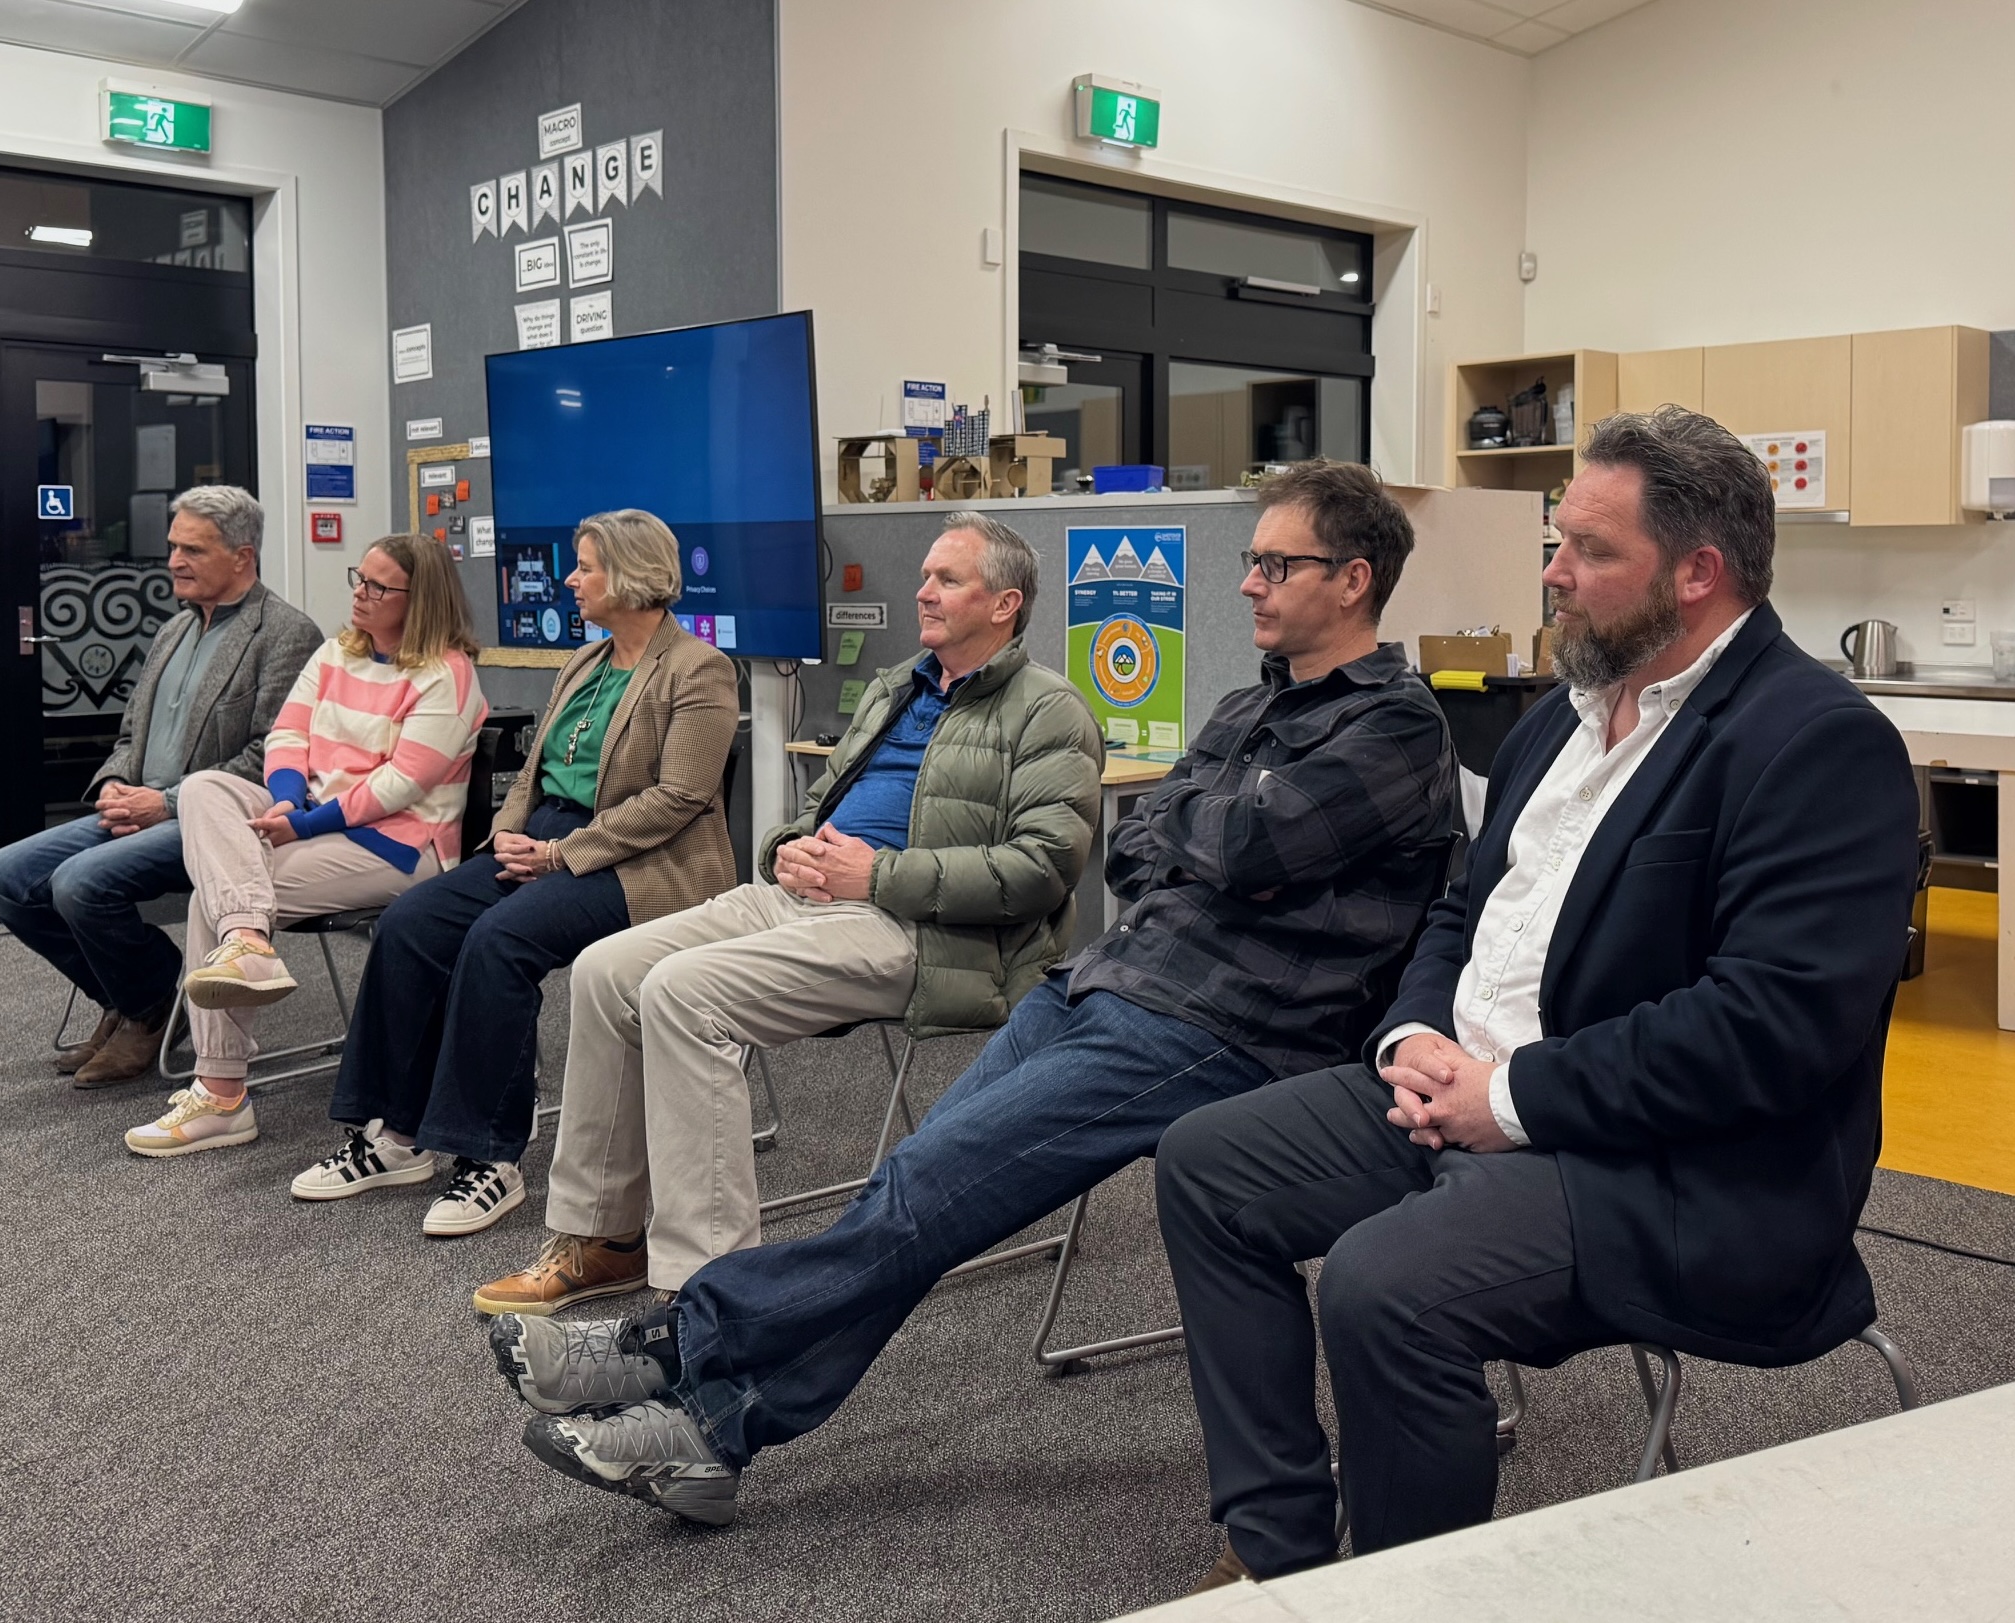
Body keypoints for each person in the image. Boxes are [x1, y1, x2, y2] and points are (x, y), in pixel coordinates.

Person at [486, 463, 1460, 1530]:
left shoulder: (1394, 726)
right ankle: (712, 1432)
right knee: (914, 1189)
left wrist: (1203, 830)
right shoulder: (1248, 705)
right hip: (1105, 982)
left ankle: (672, 1345)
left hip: (1226, 1026)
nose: (1249, 584)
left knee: (922, 1189)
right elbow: (1136, 846)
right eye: (1251, 560)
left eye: (1276, 565)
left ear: (1353, 579)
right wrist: (1209, 832)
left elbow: (1234, 845)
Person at [1152, 407, 1923, 1591]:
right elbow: (1459, 910)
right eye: (1556, 544)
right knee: (1207, 1166)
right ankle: (1278, 1547)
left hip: (1673, 1167)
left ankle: (1402, 1600)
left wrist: (1505, 1099)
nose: (1553, 574)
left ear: (1697, 572)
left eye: (1589, 552)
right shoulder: (1553, 723)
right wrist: (1414, 1033)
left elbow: (1768, 1030)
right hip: (1469, 1091)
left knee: (1383, 1288)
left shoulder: (1814, 743)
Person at [469, 512, 1102, 1318]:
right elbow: (812, 808)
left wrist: (878, 874)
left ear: (1005, 603)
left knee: (682, 992)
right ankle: (602, 1239)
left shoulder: (1049, 710)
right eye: (925, 575)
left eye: (947, 579)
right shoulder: (896, 688)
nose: (922, 590)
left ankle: (707, 1284)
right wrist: (786, 849)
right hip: (804, 896)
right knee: (605, 970)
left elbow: (1040, 872)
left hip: (926, 932)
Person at [292, 510, 738, 1236]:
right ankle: (396, 1134)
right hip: (542, 837)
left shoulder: (698, 669)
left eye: (585, 567)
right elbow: (532, 771)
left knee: (497, 942)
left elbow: (680, 798)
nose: (571, 580)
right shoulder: (585, 662)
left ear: (629, 576)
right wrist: (506, 832)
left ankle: (489, 1157)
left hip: (642, 861)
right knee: (409, 923)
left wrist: (561, 854)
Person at [123, 532, 488, 1158]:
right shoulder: (337, 652)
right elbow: (287, 735)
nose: (360, 593)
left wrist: (303, 825)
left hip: (398, 845)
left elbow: (400, 786)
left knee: (214, 898)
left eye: (378, 586)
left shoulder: (447, 675)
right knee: (207, 788)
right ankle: (247, 943)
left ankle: (222, 1093)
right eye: (359, 578)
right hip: (310, 817)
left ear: (420, 599)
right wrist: (288, 801)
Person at [0, 487, 322, 1088]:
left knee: (79, 883)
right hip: (139, 808)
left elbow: (273, 753)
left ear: (243, 556)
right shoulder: (175, 629)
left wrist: (166, 802)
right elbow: (132, 732)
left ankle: (147, 1008)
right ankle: (140, 994)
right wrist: (113, 781)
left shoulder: (287, 634)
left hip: (211, 823)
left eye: (193, 550)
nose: (174, 562)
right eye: (173, 547)